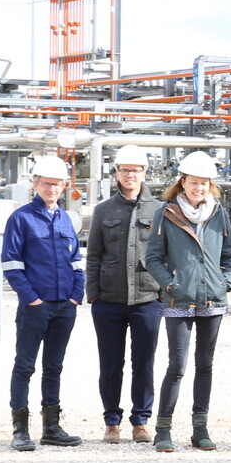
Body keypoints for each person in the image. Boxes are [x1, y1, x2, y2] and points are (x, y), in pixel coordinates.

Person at [145, 151, 231, 453]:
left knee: (205, 365)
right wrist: (170, 283)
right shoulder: (167, 212)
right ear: (182, 182)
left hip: (213, 298)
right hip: (178, 300)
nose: (199, 188)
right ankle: (163, 429)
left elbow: (228, 254)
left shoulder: (218, 213)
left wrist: (227, 281)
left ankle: (200, 428)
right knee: (177, 365)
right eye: (193, 182)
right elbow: (153, 258)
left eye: (204, 183)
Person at [2, 155, 85, 451]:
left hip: (65, 306)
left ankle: (51, 427)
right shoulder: (21, 218)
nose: (51, 188)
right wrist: (32, 299)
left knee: (54, 367)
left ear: (64, 186)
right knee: (24, 366)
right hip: (35, 307)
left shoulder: (65, 219)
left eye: (57, 184)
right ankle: (20, 430)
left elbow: (76, 262)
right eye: (46, 183)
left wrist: (77, 296)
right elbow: (11, 264)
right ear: (35, 184)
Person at [86, 145, 162, 443]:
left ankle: (141, 421)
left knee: (144, 362)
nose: (130, 175)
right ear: (116, 172)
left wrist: (163, 293)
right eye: (125, 169)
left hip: (147, 299)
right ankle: (112, 422)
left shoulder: (159, 210)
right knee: (110, 363)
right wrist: (93, 294)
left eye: (136, 170)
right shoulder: (104, 210)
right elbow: (93, 255)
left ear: (145, 173)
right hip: (108, 300)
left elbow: (166, 254)